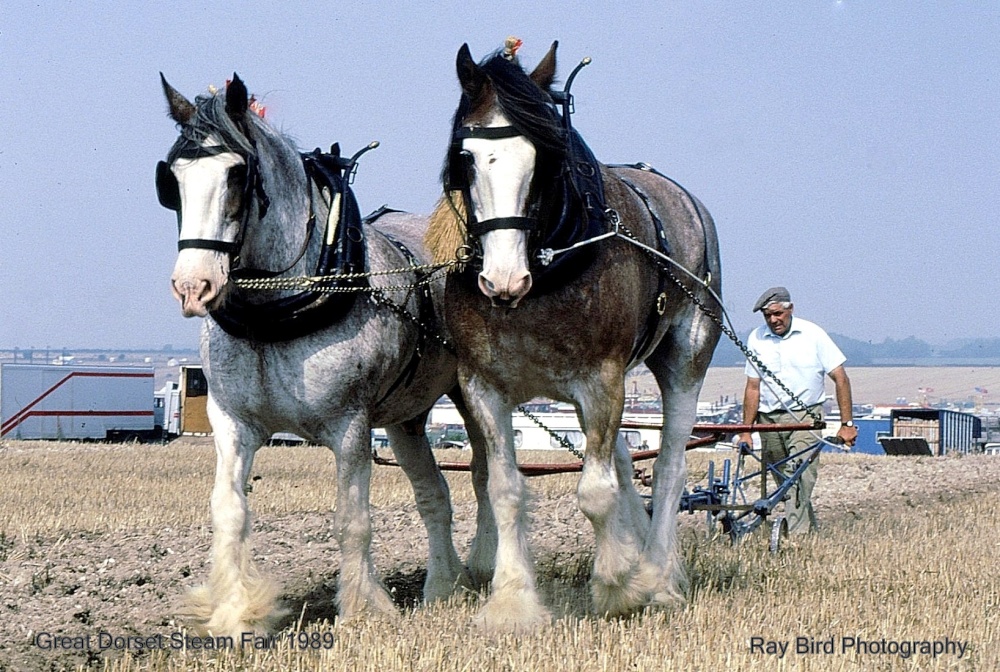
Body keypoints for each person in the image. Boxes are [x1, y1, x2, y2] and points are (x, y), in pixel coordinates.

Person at [737, 286, 858, 535]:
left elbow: (841, 378)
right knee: (785, 483)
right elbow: (752, 387)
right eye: (767, 316)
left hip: (805, 418)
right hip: (768, 419)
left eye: (778, 313)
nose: (773, 320)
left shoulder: (813, 335)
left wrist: (847, 424)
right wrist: (746, 431)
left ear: (790, 309)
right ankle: (810, 534)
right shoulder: (756, 338)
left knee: (799, 478)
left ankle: (797, 539)